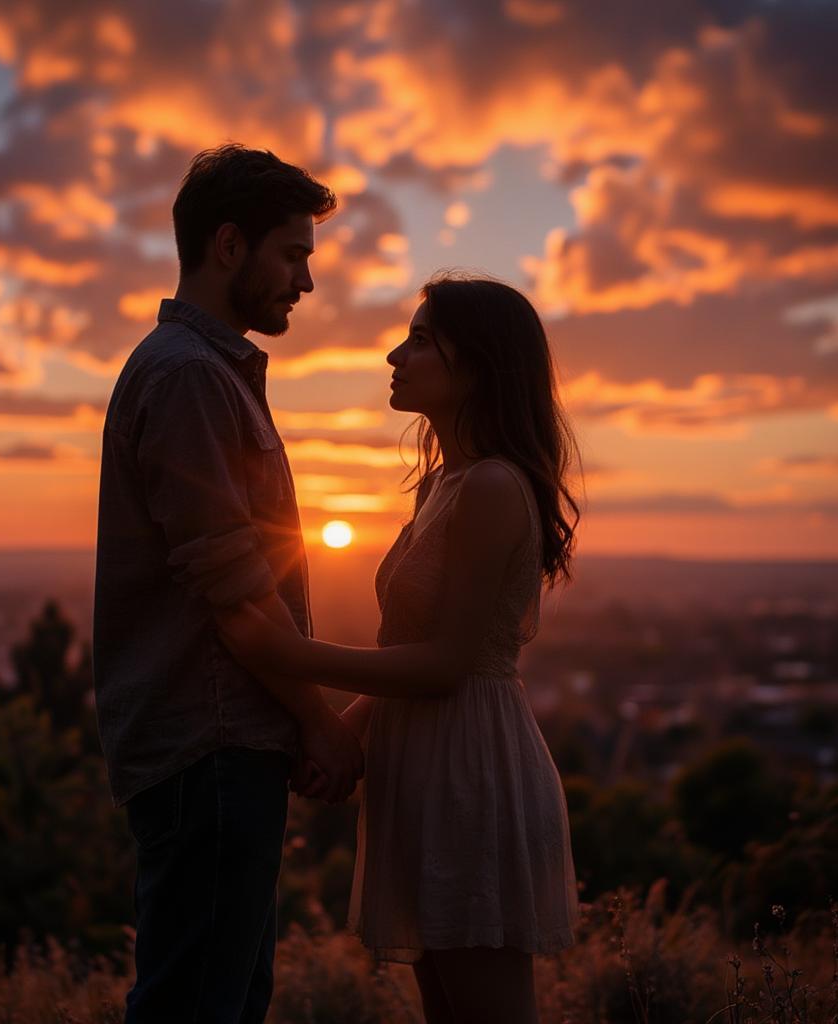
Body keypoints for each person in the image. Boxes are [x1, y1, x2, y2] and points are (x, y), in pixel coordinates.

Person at [218, 274, 582, 1024]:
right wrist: (344, 729)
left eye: (419, 340)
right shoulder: (442, 485)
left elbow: (446, 665)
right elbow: (406, 648)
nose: (394, 354)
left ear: (476, 364)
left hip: (472, 769)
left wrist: (289, 653)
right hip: (422, 765)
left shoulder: (492, 488)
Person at [92, 144, 364, 1024]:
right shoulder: (189, 378)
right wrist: (318, 720)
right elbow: (239, 597)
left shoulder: (210, 373)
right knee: (197, 1008)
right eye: (295, 256)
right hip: (207, 746)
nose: (307, 284)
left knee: (229, 998)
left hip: (221, 745)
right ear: (229, 246)